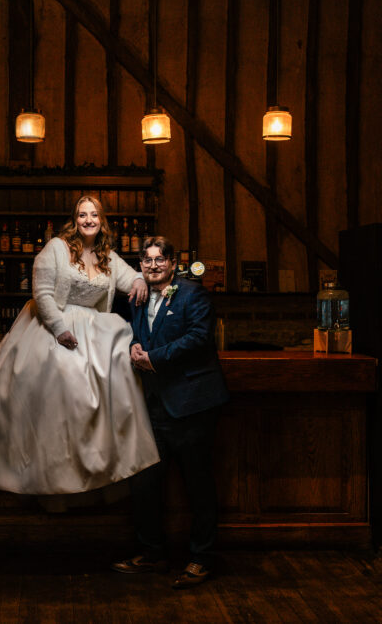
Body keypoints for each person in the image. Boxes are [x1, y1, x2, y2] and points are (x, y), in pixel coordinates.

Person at [0, 196, 159, 497]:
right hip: (53, 324)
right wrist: (59, 330)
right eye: (82, 215)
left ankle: (102, 460)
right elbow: (43, 294)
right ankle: (56, 470)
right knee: (64, 378)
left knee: (119, 366)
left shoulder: (107, 256)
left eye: (94, 215)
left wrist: (139, 280)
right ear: (74, 220)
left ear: (102, 221)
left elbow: (130, 277)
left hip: (93, 328)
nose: (88, 220)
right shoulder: (56, 249)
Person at [111, 236, 230, 589]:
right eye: (146, 260)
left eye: (159, 260)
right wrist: (132, 345)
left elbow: (199, 338)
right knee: (145, 483)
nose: (153, 266)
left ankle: (201, 558)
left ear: (173, 263)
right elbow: (131, 333)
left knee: (198, 485)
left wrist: (153, 358)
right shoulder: (136, 298)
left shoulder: (193, 293)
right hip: (154, 407)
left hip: (193, 405)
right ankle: (152, 554)